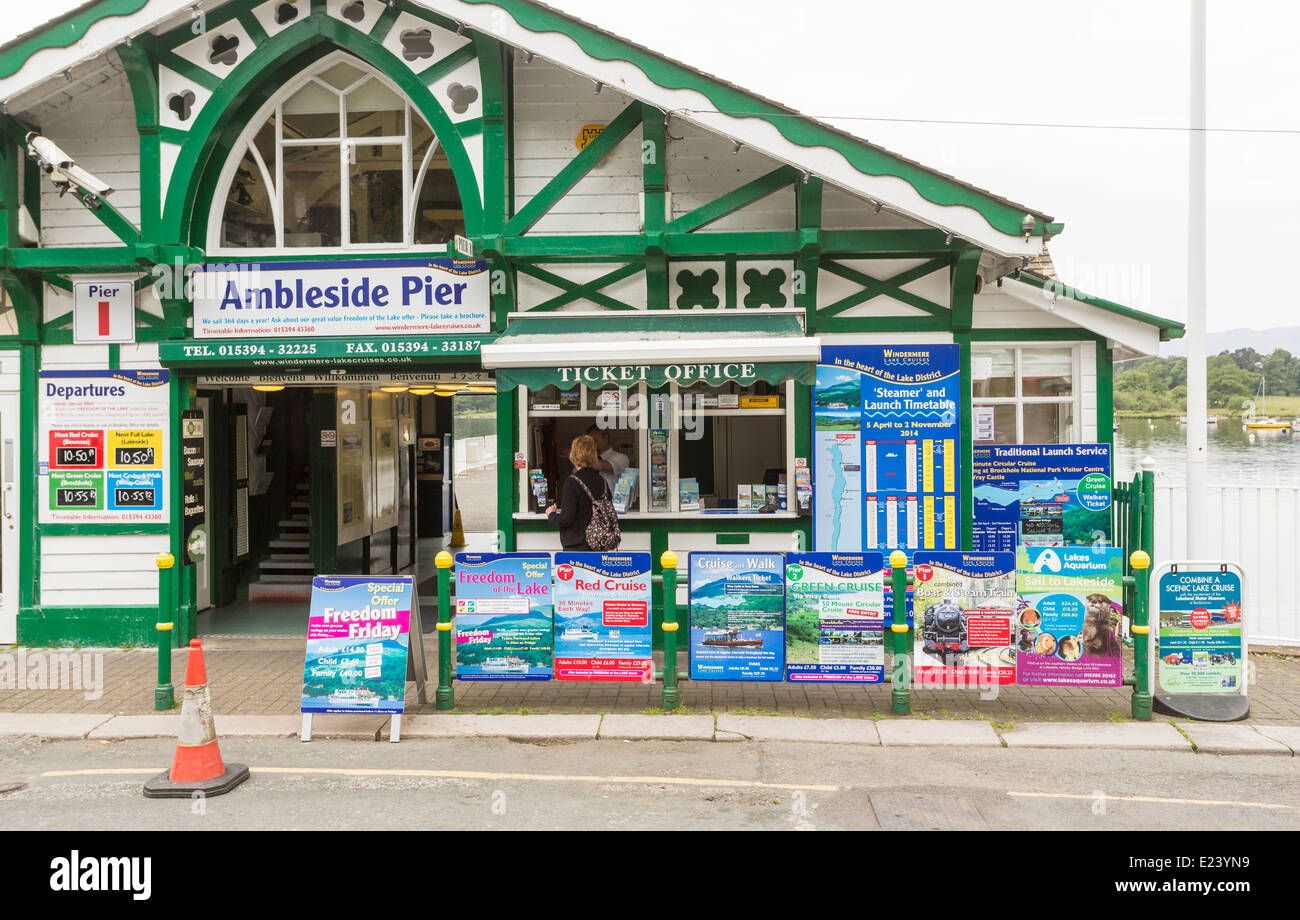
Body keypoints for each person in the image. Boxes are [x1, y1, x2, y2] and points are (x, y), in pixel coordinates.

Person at [546, 435, 612, 551]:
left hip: (577, 547)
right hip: (598, 544)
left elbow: (566, 518)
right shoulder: (602, 481)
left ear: (574, 455)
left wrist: (551, 514)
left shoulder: (572, 482)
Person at [586, 424, 629, 493]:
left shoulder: (621, 457)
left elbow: (600, 466)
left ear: (605, 438)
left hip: (612, 503)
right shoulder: (585, 461)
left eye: (594, 440)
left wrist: (580, 455)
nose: (591, 444)